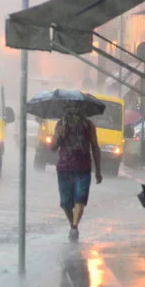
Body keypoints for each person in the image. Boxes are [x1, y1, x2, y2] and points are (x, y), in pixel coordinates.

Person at [50, 102, 103, 242]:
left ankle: (74, 227)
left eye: (76, 111)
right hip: (64, 169)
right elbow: (53, 147)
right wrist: (58, 136)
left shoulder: (89, 126)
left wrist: (98, 170)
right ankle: (73, 225)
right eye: (70, 111)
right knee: (66, 203)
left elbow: (95, 147)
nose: (73, 114)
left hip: (83, 169)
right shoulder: (60, 125)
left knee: (80, 199)